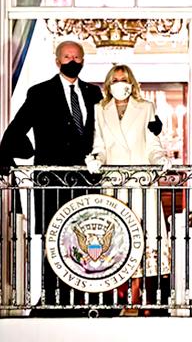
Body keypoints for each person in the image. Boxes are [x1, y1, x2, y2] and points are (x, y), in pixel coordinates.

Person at [0, 40, 103, 314]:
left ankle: (88, 301)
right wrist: (29, 151)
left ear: (83, 61)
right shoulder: (40, 93)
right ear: (57, 60)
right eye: (67, 56)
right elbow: (14, 133)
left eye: (77, 57)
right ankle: (52, 301)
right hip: (51, 182)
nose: (73, 60)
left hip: (88, 182)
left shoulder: (94, 94)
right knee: (53, 239)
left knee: (88, 239)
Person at [84, 64, 172, 316]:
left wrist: (160, 160)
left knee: (142, 239)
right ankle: (119, 298)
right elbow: (99, 145)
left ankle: (135, 300)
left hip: (141, 183)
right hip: (114, 185)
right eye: (114, 80)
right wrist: (95, 159)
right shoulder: (99, 110)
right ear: (108, 84)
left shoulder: (146, 108)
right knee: (116, 240)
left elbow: (153, 145)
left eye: (123, 79)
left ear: (132, 83)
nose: (119, 84)